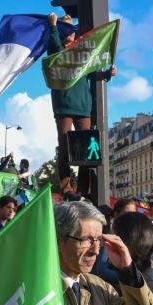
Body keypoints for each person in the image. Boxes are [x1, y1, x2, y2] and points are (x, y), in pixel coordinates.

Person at [47, 12, 117, 198]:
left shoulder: (81, 54)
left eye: (73, 29)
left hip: (83, 105)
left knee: (87, 148)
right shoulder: (56, 51)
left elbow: (93, 74)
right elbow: (53, 45)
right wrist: (53, 27)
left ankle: (83, 189)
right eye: (67, 29)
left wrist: (108, 74)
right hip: (64, 105)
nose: (71, 33)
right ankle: (67, 188)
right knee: (64, 146)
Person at [92, 198, 137, 292]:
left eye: (133, 213)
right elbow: (102, 270)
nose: (130, 217)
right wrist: (129, 277)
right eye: (127, 213)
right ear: (116, 214)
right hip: (115, 293)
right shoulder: (110, 236)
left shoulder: (136, 234)